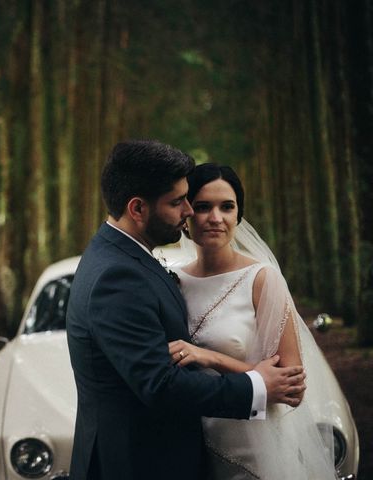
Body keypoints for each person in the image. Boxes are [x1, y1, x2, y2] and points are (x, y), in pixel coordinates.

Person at [66, 140, 306, 480]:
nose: (191, 212)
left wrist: (216, 361)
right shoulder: (118, 275)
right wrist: (255, 385)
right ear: (137, 209)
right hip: (139, 462)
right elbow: (161, 385)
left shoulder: (125, 259)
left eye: (227, 207)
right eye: (179, 202)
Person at [168, 163, 336, 479]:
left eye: (226, 207)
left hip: (249, 452)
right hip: (185, 449)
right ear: (186, 213)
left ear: (238, 216)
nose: (215, 218)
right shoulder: (171, 280)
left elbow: (292, 388)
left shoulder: (261, 280)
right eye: (203, 207)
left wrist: (212, 357)